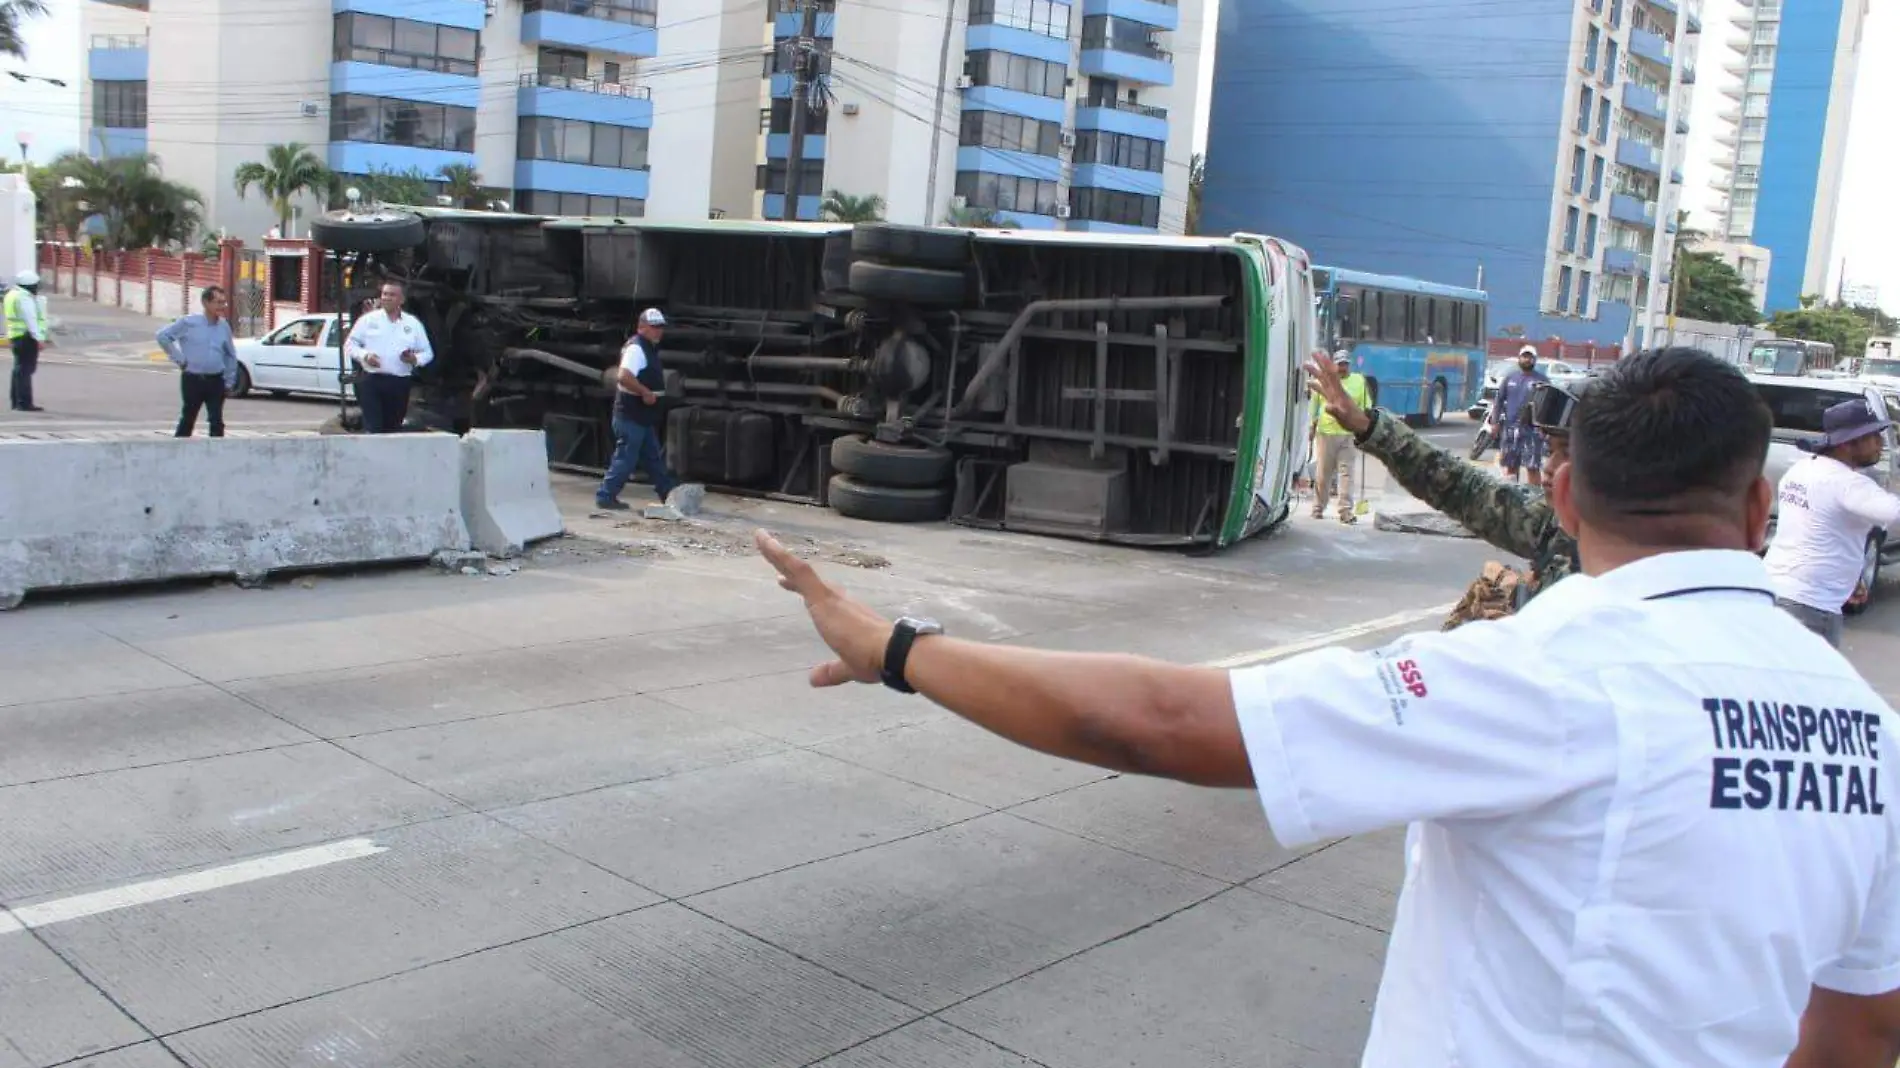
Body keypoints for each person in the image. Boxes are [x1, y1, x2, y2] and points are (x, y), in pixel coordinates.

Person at [757, 347, 1900, 1067]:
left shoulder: (1554, 670)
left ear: (1560, 490)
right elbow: (1860, 1033)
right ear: (1759, 505)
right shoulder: (1869, 729)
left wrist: (895, 647)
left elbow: (1165, 721)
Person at [1304, 351, 1580, 628]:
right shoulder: (1551, 525)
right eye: (1551, 451)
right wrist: (1368, 427)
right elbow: (1460, 486)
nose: (1550, 467)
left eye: (1567, 453)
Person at [1761, 397, 1900, 648]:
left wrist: (1849, 578)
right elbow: (1894, 513)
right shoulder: (1848, 483)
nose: (1880, 444)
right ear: (1848, 443)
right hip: (1811, 608)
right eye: (1872, 436)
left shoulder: (1801, 470)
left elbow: (1816, 529)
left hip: (1775, 592)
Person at [596, 307, 683, 514]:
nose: (658, 331)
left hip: (640, 416)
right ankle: (605, 496)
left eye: (660, 327)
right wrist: (645, 392)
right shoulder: (636, 349)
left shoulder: (647, 348)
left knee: (652, 457)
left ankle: (668, 494)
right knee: (626, 458)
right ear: (641, 327)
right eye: (653, 327)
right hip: (630, 415)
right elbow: (624, 376)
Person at [343, 281, 433, 433]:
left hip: (399, 382)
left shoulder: (413, 324)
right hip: (372, 381)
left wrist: (414, 359)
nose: (387, 298)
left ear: (402, 300)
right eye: (384, 294)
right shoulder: (368, 320)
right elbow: (350, 345)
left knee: (392, 428)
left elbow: (427, 353)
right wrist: (365, 356)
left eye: (392, 295)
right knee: (373, 427)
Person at [155, 285, 239, 438]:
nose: (222, 307)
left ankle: (216, 454)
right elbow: (162, 336)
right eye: (218, 302)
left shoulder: (223, 326)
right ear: (206, 303)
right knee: (188, 418)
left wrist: (229, 381)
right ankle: (179, 451)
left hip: (216, 380)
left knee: (216, 421)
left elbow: (230, 355)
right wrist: (179, 359)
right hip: (193, 379)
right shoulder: (189, 323)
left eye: (224, 303)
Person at [1307, 349, 1371, 524]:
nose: (1343, 367)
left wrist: (1364, 428)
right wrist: (1311, 427)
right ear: (1334, 366)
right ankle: (1318, 507)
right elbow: (1314, 405)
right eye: (1339, 364)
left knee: (1346, 473)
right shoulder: (1325, 380)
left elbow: (1366, 406)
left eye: (1345, 364)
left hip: (1348, 434)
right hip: (1326, 432)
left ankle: (1345, 511)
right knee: (1323, 473)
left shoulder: (1359, 381)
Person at [1492, 344, 1550, 486]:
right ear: (1519, 358)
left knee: (1532, 467)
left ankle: (1534, 500)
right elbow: (1499, 401)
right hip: (1511, 428)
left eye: (1530, 357)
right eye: (1524, 356)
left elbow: (1548, 406)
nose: (1526, 360)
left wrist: (1545, 429)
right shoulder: (1510, 378)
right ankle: (1513, 497)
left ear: (1534, 360)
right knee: (1510, 465)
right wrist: (1495, 423)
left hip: (1532, 431)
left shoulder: (1542, 381)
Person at [5, 270, 49, 412]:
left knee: (18, 369)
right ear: (30, 286)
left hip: (15, 335)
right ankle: (24, 403)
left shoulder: (12, 295)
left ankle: (16, 401)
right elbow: (30, 319)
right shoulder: (24, 298)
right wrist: (39, 338)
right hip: (26, 336)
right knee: (25, 370)